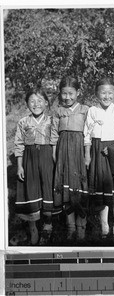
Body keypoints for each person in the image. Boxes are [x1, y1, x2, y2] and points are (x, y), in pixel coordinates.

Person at [84, 77, 114, 238]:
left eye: (110, 93)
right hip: (97, 150)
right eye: (103, 93)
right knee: (101, 186)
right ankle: (104, 223)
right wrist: (87, 155)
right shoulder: (92, 111)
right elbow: (87, 135)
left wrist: (113, 148)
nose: (107, 96)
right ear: (96, 94)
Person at [14, 87, 58, 245]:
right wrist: (19, 166)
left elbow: (55, 141)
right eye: (32, 101)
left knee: (48, 189)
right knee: (31, 191)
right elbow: (18, 144)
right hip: (29, 159)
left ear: (46, 103)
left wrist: (55, 160)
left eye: (40, 101)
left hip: (47, 159)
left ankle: (47, 226)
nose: (36, 104)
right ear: (27, 104)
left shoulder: (52, 121)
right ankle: (33, 229)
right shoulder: (23, 122)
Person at [50, 76, 89, 240]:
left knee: (79, 189)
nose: (67, 97)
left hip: (79, 152)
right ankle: (70, 226)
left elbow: (88, 134)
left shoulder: (85, 110)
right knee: (65, 189)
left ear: (78, 93)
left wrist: (87, 155)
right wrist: (54, 152)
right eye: (64, 94)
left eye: (71, 93)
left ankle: (82, 227)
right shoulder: (58, 111)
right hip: (63, 153)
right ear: (60, 94)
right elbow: (53, 135)